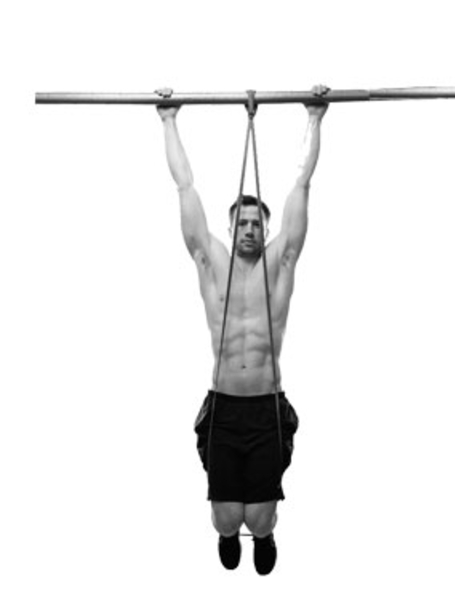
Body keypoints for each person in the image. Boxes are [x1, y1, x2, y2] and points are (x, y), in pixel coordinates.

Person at [156, 85, 328, 573]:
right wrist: (169, 120)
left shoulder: (280, 263)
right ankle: (231, 533)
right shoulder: (212, 264)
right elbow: (186, 188)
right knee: (228, 519)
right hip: (226, 407)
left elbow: (302, 185)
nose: (250, 229)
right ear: (230, 229)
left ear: (266, 230)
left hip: (267, 407)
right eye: (242, 223)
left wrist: (314, 118)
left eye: (257, 223)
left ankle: (265, 535)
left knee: (262, 517)